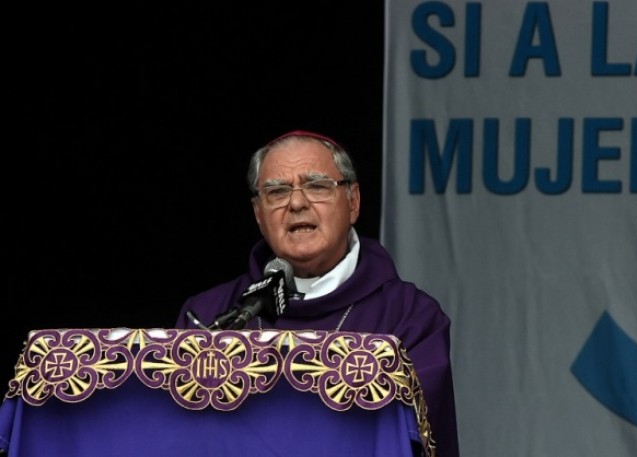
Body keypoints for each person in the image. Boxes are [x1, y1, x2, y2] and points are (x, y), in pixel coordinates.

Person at [175, 130, 459, 457]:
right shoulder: (209, 314)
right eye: (277, 191)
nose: (296, 203)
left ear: (353, 202)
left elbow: (412, 440)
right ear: (258, 214)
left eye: (317, 185)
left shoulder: (409, 318)